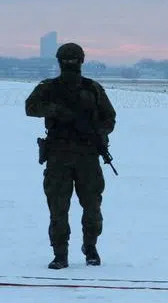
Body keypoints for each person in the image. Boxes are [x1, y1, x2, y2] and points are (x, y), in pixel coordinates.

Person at [25, 42, 117, 269]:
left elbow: (109, 118)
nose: (70, 64)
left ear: (80, 61)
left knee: (92, 206)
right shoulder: (49, 88)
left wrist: (98, 133)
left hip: (87, 155)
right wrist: (56, 111)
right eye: (67, 60)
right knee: (58, 208)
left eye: (72, 60)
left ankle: (90, 248)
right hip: (58, 155)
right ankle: (60, 253)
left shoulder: (92, 89)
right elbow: (30, 107)